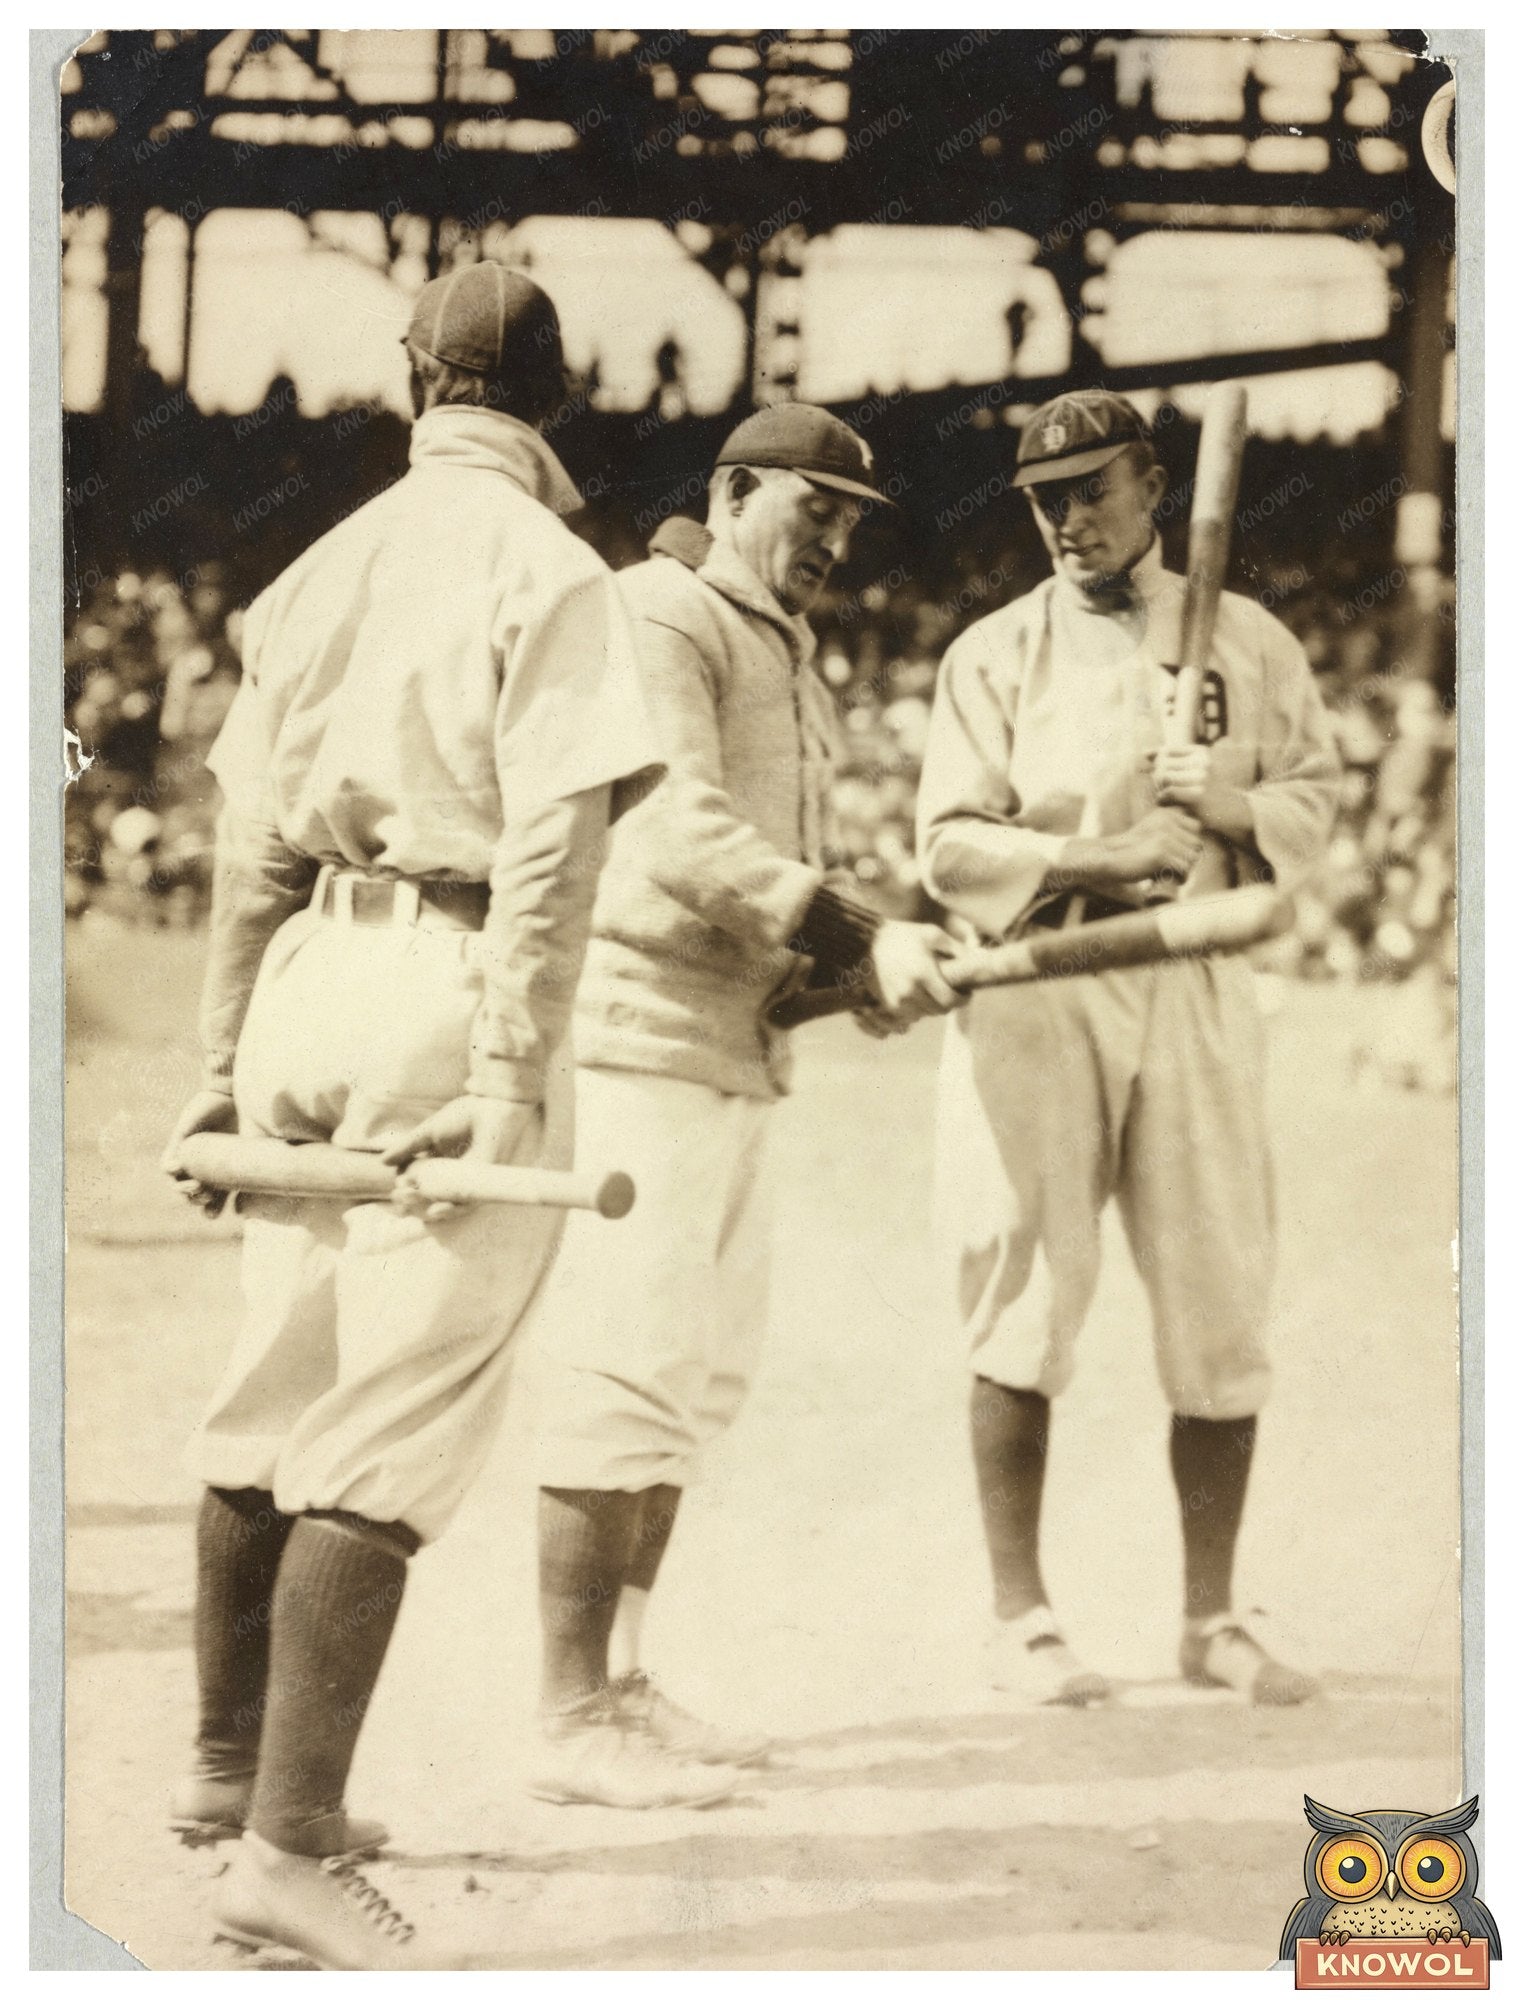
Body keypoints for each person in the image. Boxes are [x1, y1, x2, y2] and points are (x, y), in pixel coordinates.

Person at [160, 263, 661, 1967]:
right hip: (449, 981)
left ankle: (229, 1777)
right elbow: (550, 846)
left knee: (272, 1389)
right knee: (392, 1417)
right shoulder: (554, 565)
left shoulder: (323, 565)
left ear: (412, 393)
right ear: (555, 402)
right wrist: (513, 1071)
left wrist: (221, 1060)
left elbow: (250, 847)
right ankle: (290, 1849)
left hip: (307, 969)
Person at [524, 404, 963, 1805]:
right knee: (621, 1374)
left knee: (694, 1385)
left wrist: (847, 980)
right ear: (730, 492)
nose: (830, 540)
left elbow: (769, 911)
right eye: (808, 508)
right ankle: (564, 1714)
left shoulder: (788, 647)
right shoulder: (659, 610)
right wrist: (850, 931)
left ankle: (626, 1684)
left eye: (848, 519)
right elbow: (667, 832)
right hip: (637, 1048)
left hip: (732, 1054)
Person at [915, 389, 1342, 1708]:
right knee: (1023, 1290)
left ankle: (1209, 1616)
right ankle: (1020, 1614)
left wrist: (1226, 803)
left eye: (1090, 490)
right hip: (1047, 970)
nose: (1065, 519)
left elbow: (1317, 802)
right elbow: (945, 846)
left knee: (1219, 1296)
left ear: (1153, 486)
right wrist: (1092, 851)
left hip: (1198, 966)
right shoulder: (994, 651)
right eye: (1044, 498)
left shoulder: (1253, 642)